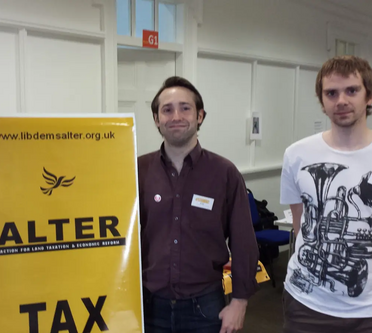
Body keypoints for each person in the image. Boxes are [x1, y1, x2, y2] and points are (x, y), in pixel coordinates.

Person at [138, 76, 259, 333]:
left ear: (200, 115)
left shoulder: (224, 173)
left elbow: (243, 242)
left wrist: (239, 302)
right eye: (167, 110)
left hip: (205, 307)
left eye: (185, 108)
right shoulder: (137, 170)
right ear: (157, 119)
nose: (176, 116)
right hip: (147, 306)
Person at [280, 55, 372, 333]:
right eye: (331, 93)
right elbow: (303, 227)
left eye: (352, 90)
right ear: (322, 101)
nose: (341, 100)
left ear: (369, 97)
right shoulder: (296, 154)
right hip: (307, 304)